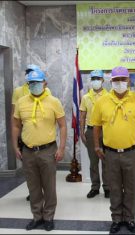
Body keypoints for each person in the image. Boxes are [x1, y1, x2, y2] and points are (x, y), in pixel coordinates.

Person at [91, 66, 135, 234]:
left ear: (128, 81)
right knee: (115, 188)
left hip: (132, 152)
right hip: (110, 153)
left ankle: (130, 218)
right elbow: (96, 126)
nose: (119, 83)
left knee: (131, 187)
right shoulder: (102, 101)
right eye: (116, 80)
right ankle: (116, 218)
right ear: (111, 82)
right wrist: (97, 145)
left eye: (123, 80)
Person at [12, 69, 67, 231]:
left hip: (48, 150)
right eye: (31, 83)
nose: (35, 85)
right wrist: (15, 146)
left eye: (37, 82)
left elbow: (63, 125)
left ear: (45, 83)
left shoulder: (54, 102)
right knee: (33, 186)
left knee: (49, 186)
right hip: (27, 151)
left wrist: (62, 148)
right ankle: (37, 216)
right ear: (28, 84)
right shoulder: (21, 102)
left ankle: (49, 216)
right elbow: (16, 125)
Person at [11, 64, 51, 202]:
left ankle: (44, 193)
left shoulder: (46, 90)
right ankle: (34, 191)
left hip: (41, 133)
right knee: (30, 168)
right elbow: (14, 116)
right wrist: (15, 141)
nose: (31, 75)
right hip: (25, 133)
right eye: (28, 72)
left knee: (44, 169)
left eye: (34, 73)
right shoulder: (18, 91)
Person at [80, 70, 110, 199]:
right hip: (91, 132)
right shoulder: (86, 97)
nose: (95, 81)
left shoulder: (108, 96)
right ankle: (95, 187)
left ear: (103, 80)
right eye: (93, 79)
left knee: (106, 161)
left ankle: (107, 187)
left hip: (106, 131)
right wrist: (82, 132)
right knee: (93, 162)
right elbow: (82, 116)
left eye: (98, 78)